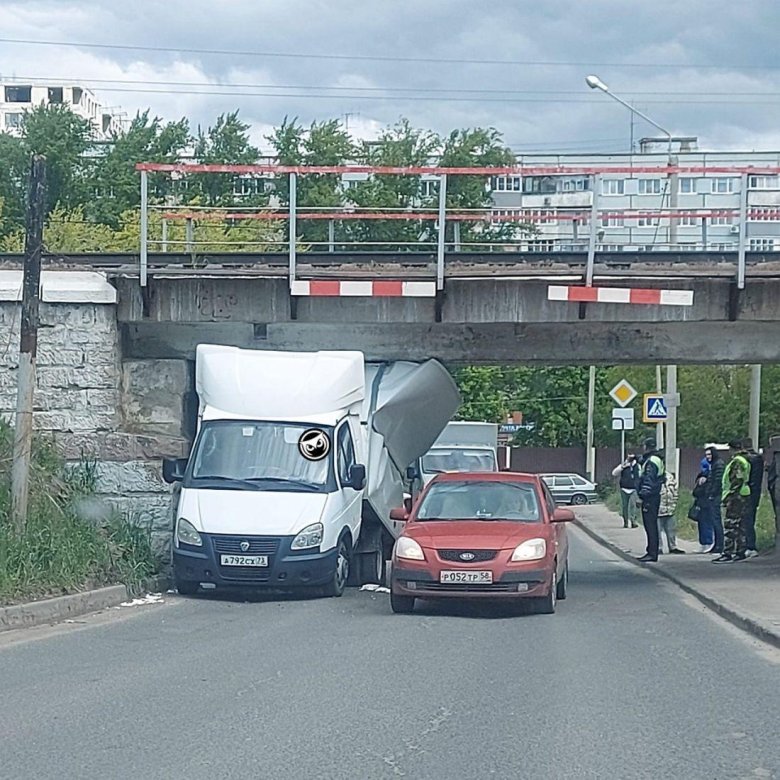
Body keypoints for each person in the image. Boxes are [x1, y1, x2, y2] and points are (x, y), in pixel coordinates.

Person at [714, 440, 751, 563]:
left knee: (731, 525)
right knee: (740, 526)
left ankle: (728, 553)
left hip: (736, 497)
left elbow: (736, 481)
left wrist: (729, 497)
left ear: (732, 449)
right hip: (742, 495)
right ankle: (740, 551)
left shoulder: (737, 462)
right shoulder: (744, 460)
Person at [636, 437, 665, 562]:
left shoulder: (652, 461)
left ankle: (652, 553)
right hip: (654, 495)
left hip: (650, 497)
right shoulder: (655, 459)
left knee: (650, 526)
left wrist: (642, 497)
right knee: (651, 525)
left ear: (646, 446)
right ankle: (652, 551)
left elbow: (648, 480)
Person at [698, 446, 725, 555]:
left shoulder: (718, 464)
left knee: (716, 521)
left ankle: (720, 545)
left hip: (715, 496)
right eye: (706, 455)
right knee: (714, 521)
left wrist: (712, 494)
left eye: (709, 454)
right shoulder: (713, 465)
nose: (708, 457)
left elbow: (717, 481)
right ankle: (717, 545)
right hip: (713, 496)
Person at [742, 437, 764, 558]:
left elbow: (747, 477)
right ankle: (749, 545)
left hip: (748, 492)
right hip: (756, 491)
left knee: (747, 519)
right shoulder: (758, 458)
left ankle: (749, 546)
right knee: (750, 518)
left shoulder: (748, 459)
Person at [657, 471, 684, 554]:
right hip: (657, 509)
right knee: (657, 530)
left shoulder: (669, 476)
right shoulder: (654, 476)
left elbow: (675, 491)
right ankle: (658, 547)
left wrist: (674, 503)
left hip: (670, 508)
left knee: (671, 529)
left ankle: (672, 547)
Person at [611, 453, 640, 528]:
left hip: (633, 489)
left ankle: (633, 522)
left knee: (633, 506)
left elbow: (640, 474)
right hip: (624, 488)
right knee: (625, 507)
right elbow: (614, 473)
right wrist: (623, 466)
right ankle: (626, 522)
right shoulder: (623, 466)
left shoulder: (637, 466)